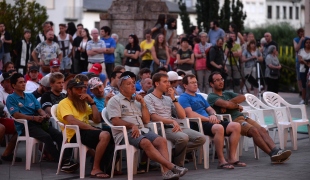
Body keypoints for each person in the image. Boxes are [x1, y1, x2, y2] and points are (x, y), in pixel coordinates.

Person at [107, 75, 188, 179]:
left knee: (161, 141)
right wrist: (132, 125)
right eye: (129, 84)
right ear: (121, 88)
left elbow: (146, 120)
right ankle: (171, 166)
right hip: (125, 133)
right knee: (146, 142)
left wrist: (143, 104)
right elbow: (115, 121)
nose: (132, 85)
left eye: (133, 82)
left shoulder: (137, 100)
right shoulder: (115, 100)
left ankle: (167, 173)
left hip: (142, 130)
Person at [207, 71, 292, 163]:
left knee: (262, 129)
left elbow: (243, 97)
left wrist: (229, 103)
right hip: (233, 121)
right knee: (254, 131)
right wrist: (235, 105)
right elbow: (226, 104)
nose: (221, 82)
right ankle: (272, 155)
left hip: (243, 117)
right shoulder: (211, 96)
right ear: (211, 84)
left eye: (221, 79)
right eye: (217, 80)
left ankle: (276, 150)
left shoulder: (227, 93)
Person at [6, 73, 78, 172]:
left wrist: (44, 114)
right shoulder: (11, 98)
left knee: (58, 135)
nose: (23, 84)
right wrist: (33, 118)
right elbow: (16, 115)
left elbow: (39, 109)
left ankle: (67, 159)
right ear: (14, 85)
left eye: (24, 82)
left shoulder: (30, 96)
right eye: (20, 82)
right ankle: (62, 161)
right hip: (25, 125)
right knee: (46, 137)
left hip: (38, 122)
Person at [179, 74, 245, 169]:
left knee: (236, 126)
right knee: (219, 128)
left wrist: (213, 115)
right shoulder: (184, 97)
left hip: (210, 121)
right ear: (185, 85)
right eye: (192, 83)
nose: (195, 84)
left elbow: (210, 109)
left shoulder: (199, 96)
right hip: (197, 123)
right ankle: (221, 161)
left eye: (196, 82)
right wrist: (208, 119)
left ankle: (232, 158)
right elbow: (190, 114)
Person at [144, 73, 206, 167]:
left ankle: (173, 154)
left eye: (168, 81)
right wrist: (172, 121)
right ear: (157, 84)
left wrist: (173, 98)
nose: (168, 84)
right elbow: (154, 117)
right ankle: (178, 165)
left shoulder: (168, 99)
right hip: (162, 127)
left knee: (201, 138)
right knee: (183, 138)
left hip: (175, 125)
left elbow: (182, 115)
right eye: (165, 82)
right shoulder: (148, 98)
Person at [57, 77, 113, 178]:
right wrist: (92, 128)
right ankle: (95, 168)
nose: (81, 91)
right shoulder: (64, 103)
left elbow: (96, 120)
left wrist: (91, 102)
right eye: (77, 89)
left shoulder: (82, 102)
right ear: (69, 90)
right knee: (105, 135)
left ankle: (107, 168)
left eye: (82, 88)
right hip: (74, 133)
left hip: (86, 130)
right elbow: (72, 121)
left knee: (112, 135)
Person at [294, 28, 307, 104]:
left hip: (306, 59)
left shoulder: (307, 39)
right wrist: (301, 40)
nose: (302, 34)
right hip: (299, 60)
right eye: (300, 33)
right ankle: (301, 92)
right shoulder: (296, 40)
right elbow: (296, 48)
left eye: (303, 32)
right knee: (299, 77)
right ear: (298, 33)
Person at [297, 38, 310, 105]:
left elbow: (303, 60)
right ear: (304, 44)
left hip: (309, 71)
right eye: (307, 42)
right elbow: (300, 60)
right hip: (303, 70)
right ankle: (303, 99)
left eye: (309, 42)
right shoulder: (301, 51)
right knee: (304, 85)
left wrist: (304, 61)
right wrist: (307, 63)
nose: (308, 44)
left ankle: (308, 98)